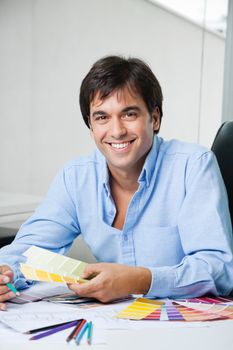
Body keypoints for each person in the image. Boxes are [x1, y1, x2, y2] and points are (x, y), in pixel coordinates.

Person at [0, 55, 233, 311]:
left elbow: (218, 269)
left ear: (154, 118)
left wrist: (140, 280)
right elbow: (29, 248)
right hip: (113, 324)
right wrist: (5, 272)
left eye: (129, 114)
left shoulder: (193, 165)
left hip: (185, 324)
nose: (116, 130)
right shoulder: (76, 176)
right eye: (101, 117)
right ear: (91, 126)